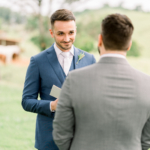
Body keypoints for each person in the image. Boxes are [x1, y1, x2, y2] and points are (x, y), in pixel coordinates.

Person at [53, 13, 150, 150]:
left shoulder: (74, 80)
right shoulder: (148, 84)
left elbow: (61, 134)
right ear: (129, 45)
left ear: (100, 40)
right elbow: (146, 141)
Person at [22, 9, 96, 150]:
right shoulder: (37, 61)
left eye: (71, 33)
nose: (67, 39)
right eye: (61, 33)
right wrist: (52, 106)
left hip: (82, 140)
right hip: (49, 140)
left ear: (75, 30)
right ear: (51, 33)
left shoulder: (89, 59)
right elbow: (26, 101)